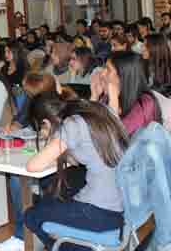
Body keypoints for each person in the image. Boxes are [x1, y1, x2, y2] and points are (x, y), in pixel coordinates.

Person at [24, 97, 128, 251]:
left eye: (42, 130)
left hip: (98, 212)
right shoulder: (95, 113)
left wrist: (51, 144)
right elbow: (76, 160)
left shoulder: (72, 124)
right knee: (52, 201)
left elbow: (33, 166)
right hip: (120, 208)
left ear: (45, 123)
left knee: (32, 215)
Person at [91, 51, 158, 135]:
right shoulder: (106, 98)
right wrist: (94, 96)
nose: (102, 74)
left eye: (108, 70)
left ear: (123, 75)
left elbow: (115, 137)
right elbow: (89, 129)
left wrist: (113, 100)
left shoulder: (145, 103)